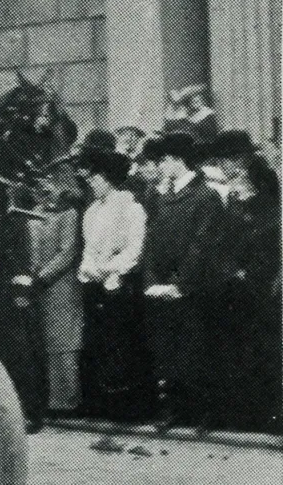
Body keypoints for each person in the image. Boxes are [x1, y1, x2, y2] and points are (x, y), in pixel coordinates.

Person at [140, 132, 224, 432]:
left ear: (177, 160)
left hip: (192, 290)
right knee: (167, 350)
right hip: (162, 288)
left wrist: (179, 284)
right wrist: (151, 280)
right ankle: (175, 409)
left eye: (163, 160)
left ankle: (204, 413)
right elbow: (149, 240)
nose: (159, 166)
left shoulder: (206, 197)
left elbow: (201, 246)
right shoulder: (160, 196)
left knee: (195, 350)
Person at [203, 131, 281, 433]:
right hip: (232, 285)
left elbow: (267, 239)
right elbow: (221, 241)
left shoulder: (265, 199)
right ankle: (238, 413)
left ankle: (262, 414)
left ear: (238, 162)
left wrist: (246, 271)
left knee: (257, 348)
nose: (221, 167)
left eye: (224, 161)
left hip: (256, 286)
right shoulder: (233, 199)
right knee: (234, 349)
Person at [75, 149, 151, 420]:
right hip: (95, 286)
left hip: (120, 286)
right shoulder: (91, 212)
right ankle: (102, 405)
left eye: (95, 178)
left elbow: (134, 250)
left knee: (123, 345)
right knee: (98, 344)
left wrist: (107, 269)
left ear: (108, 178)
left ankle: (128, 409)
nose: (91, 183)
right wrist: (88, 269)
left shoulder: (132, 209)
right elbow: (87, 250)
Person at [24, 177, 85, 416]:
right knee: (43, 344)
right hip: (37, 288)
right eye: (39, 187)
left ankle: (67, 401)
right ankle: (47, 400)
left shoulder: (68, 214)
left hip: (61, 287)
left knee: (64, 344)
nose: (43, 191)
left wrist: (43, 277)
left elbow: (68, 251)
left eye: (48, 186)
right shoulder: (34, 213)